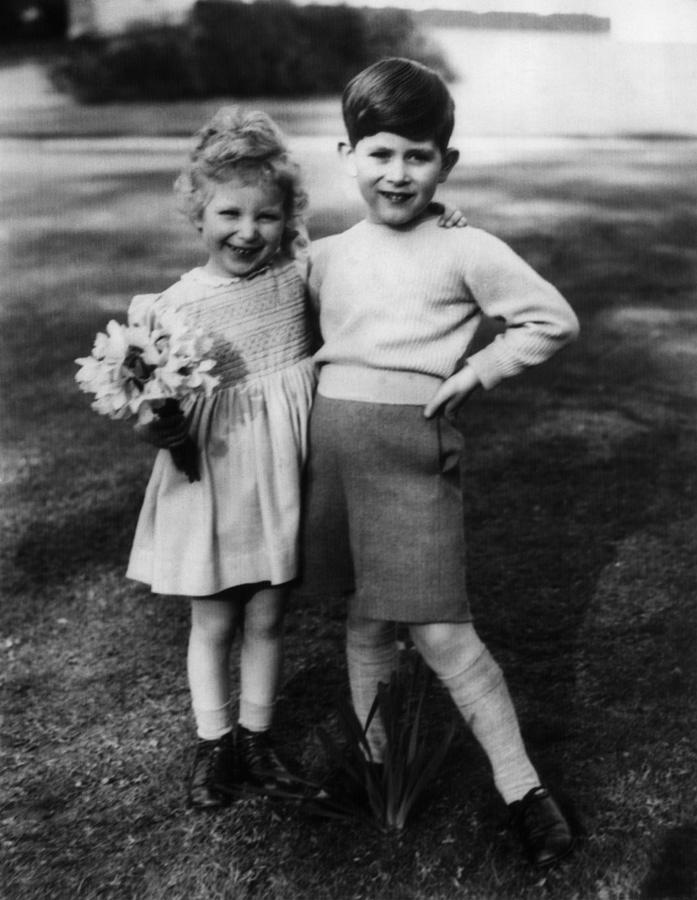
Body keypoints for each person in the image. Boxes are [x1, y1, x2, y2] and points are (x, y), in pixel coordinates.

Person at [125, 105, 465, 811]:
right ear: (198, 212)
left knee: (268, 617)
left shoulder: (298, 276)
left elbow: (379, 250)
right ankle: (214, 744)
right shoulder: (168, 308)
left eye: (267, 217)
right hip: (211, 480)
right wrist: (152, 428)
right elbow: (145, 408)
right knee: (215, 620)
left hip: (282, 475)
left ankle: (256, 735)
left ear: (288, 219)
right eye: (229, 214)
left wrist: (443, 218)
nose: (248, 232)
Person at [302, 58, 580, 867]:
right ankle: (374, 762)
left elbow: (549, 319)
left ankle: (521, 788)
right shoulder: (323, 253)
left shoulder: (466, 247)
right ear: (346, 153)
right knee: (364, 618)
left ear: (445, 164)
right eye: (379, 153)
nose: (397, 173)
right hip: (333, 457)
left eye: (417, 156)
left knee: (442, 629)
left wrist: (475, 370)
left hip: (409, 458)